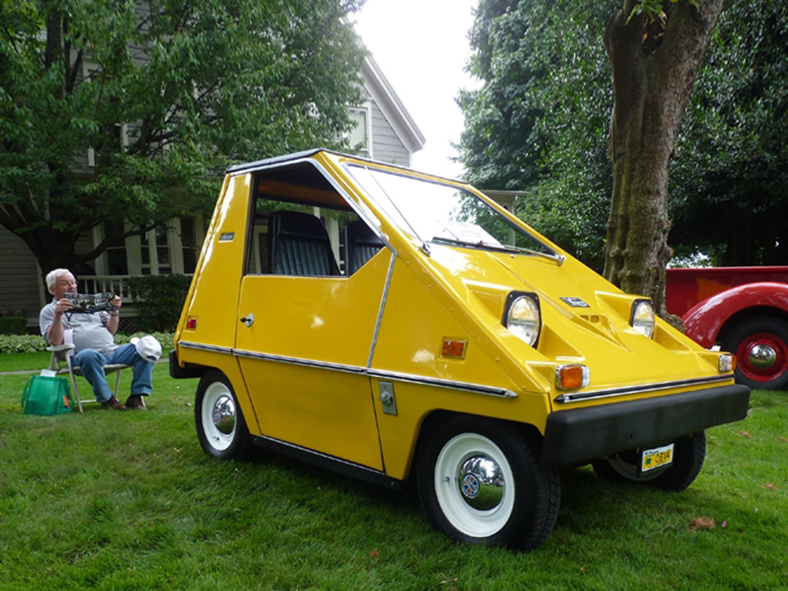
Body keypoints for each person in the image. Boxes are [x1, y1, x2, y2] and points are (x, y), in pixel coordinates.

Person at [39, 269, 154, 410]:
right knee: (89, 354)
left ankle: (136, 397)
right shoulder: (49, 311)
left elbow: (111, 330)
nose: (71, 286)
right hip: (81, 357)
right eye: (65, 283)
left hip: (112, 352)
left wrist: (114, 311)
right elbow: (55, 342)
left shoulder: (91, 304)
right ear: (52, 289)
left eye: (73, 282)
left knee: (147, 346)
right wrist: (58, 315)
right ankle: (108, 400)